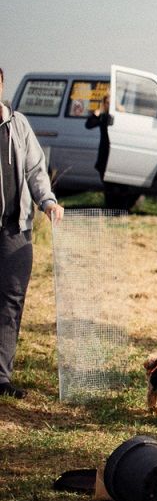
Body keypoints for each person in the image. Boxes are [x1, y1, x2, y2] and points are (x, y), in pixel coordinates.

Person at [0, 67, 65, 398]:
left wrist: (48, 202)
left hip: (16, 229)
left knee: (12, 299)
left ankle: (1, 377)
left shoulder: (19, 124)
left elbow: (37, 170)